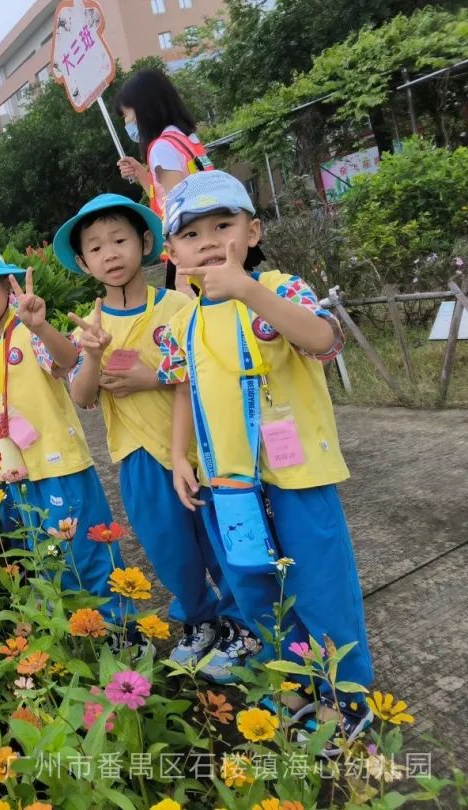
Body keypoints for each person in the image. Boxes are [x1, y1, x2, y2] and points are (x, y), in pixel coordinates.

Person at [157, 170, 373, 754]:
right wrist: (180, 456)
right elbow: (182, 388)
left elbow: (323, 340)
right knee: (256, 591)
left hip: (298, 476)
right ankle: (294, 687)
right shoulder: (183, 322)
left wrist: (250, 291)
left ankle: (346, 701)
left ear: (252, 232)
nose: (208, 241)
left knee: (321, 588)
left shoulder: (280, 288)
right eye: (191, 233)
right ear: (171, 251)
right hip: (229, 485)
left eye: (223, 225)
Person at [54, 193, 241, 668]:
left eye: (119, 240)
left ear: (144, 242)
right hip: (135, 455)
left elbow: (206, 370)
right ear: (83, 262)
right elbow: (83, 397)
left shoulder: (179, 305)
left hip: (196, 450)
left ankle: (241, 625)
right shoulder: (88, 325)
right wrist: (92, 356)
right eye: (95, 248)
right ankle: (199, 621)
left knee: (220, 542)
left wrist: (152, 376)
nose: (110, 253)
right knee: (169, 548)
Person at [0, 247, 141, 646]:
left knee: (89, 550)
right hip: (19, 472)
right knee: (46, 555)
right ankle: (79, 631)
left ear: (6, 288)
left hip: (60, 466)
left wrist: (43, 327)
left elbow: (66, 362)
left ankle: (122, 630)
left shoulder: (28, 332)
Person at [114, 68, 214, 291]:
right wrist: (141, 173)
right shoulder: (185, 139)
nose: (127, 124)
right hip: (210, 241)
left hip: (189, 253)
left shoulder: (161, 147)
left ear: (144, 109)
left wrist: (180, 274)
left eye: (127, 115)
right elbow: (170, 193)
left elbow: (178, 210)